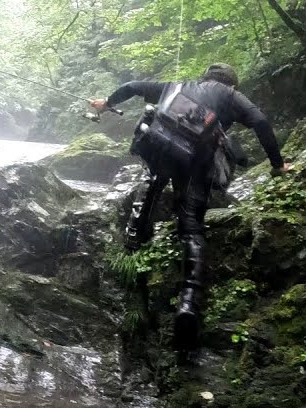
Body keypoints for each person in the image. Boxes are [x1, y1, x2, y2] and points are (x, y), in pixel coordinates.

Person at [90, 63, 292, 348]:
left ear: (205, 77)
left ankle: (134, 240)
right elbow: (259, 121)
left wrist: (106, 103)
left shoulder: (177, 86)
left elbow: (133, 86)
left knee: (154, 178)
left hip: (158, 147)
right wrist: (277, 164)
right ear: (231, 84)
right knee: (191, 226)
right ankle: (188, 303)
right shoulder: (231, 96)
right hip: (196, 161)